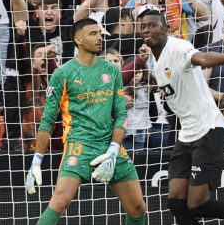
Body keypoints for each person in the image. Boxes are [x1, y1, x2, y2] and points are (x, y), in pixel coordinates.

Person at [138, 9, 224, 224]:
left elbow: (202, 58)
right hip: (187, 134)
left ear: (166, 29)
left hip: (208, 131)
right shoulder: (157, 63)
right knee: (176, 203)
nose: (148, 30)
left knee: (197, 203)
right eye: (144, 27)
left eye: (153, 25)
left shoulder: (178, 47)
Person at [24, 18, 147, 225]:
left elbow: (120, 114)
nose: (100, 37)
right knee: (60, 201)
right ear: (78, 39)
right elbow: (47, 120)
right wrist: (37, 159)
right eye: (93, 34)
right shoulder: (63, 74)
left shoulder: (112, 71)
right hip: (79, 145)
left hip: (109, 146)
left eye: (100, 33)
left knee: (137, 208)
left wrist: (114, 149)